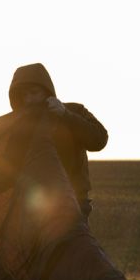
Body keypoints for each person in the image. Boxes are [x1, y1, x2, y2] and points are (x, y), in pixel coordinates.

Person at [9, 62, 108, 222]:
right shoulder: (18, 125)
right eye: (23, 95)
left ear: (47, 91)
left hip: (75, 205)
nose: (29, 99)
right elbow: (7, 165)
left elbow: (99, 140)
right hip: (35, 208)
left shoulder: (74, 111)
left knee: (75, 247)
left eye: (34, 92)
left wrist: (65, 115)